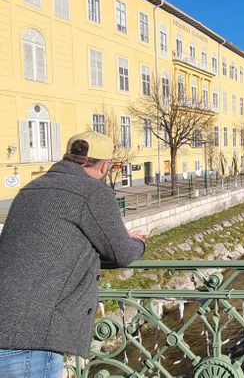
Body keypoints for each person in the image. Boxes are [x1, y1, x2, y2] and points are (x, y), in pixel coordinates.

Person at [0, 131, 146, 377]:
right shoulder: (92, 192)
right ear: (104, 166)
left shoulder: (31, 188)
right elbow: (122, 253)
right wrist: (139, 242)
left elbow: (57, 242)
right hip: (34, 337)